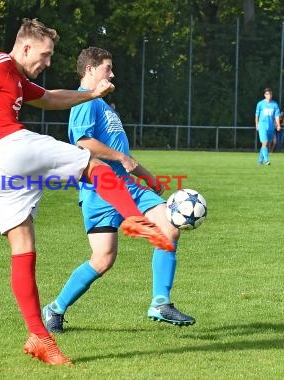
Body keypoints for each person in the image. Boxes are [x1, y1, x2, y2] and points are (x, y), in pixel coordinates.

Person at [0, 18, 174, 366]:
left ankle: (40, 338)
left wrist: (89, 94)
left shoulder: (16, 79)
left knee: (23, 247)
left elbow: (50, 99)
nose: (47, 62)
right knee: (93, 164)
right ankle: (133, 218)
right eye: (45, 55)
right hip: (8, 145)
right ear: (25, 46)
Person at [42, 47, 195, 335]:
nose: (112, 74)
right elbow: (83, 143)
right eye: (107, 68)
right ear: (90, 70)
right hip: (99, 191)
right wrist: (120, 158)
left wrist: (147, 176)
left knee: (169, 228)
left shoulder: (102, 104)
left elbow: (123, 155)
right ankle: (55, 308)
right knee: (102, 259)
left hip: (127, 187)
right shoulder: (85, 102)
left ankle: (160, 302)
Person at [254, 87, 281, 165]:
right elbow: (256, 115)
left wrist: (278, 125)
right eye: (267, 94)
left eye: (270, 94)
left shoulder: (274, 104)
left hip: (271, 127)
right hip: (262, 125)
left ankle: (260, 161)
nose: (269, 95)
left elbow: (276, 116)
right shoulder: (260, 104)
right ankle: (267, 160)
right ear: (264, 95)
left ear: (271, 95)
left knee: (264, 144)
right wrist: (257, 124)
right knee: (265, 143)